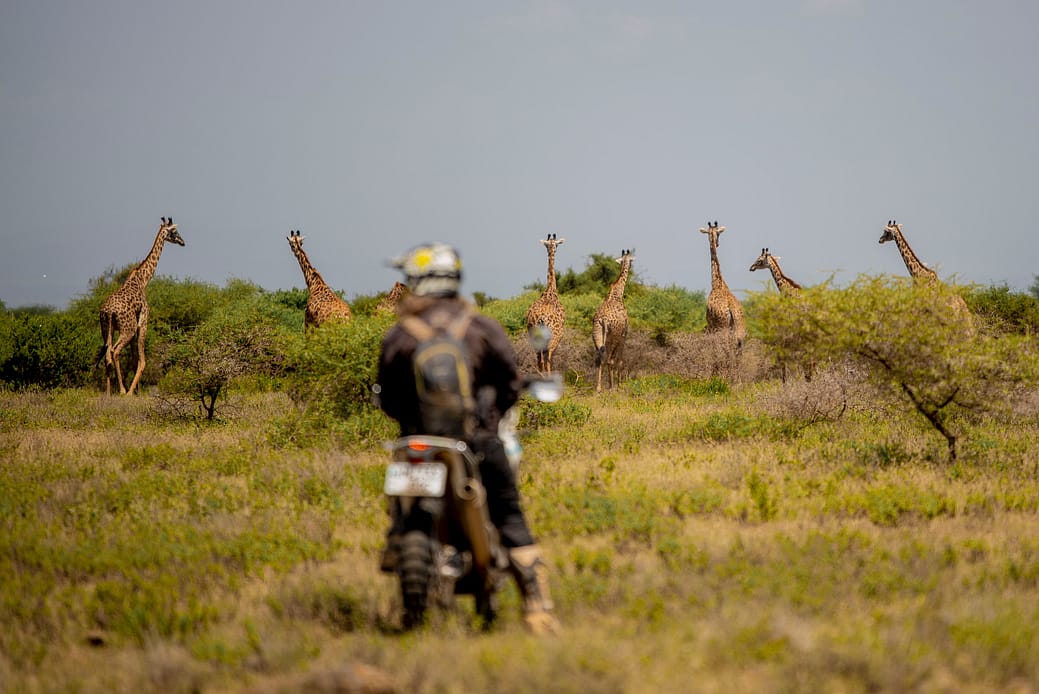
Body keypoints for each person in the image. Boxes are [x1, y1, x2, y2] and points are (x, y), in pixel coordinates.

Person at [376, 243, 559, 635]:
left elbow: (388, 398)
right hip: (474, 442)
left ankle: (397, 540)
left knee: (400, 505)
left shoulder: (399, 335)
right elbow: (510, 386)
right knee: (509, 514)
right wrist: (490, 420)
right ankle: (536, 606)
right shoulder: (480, 327)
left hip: (416, 444)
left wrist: (411, 424)